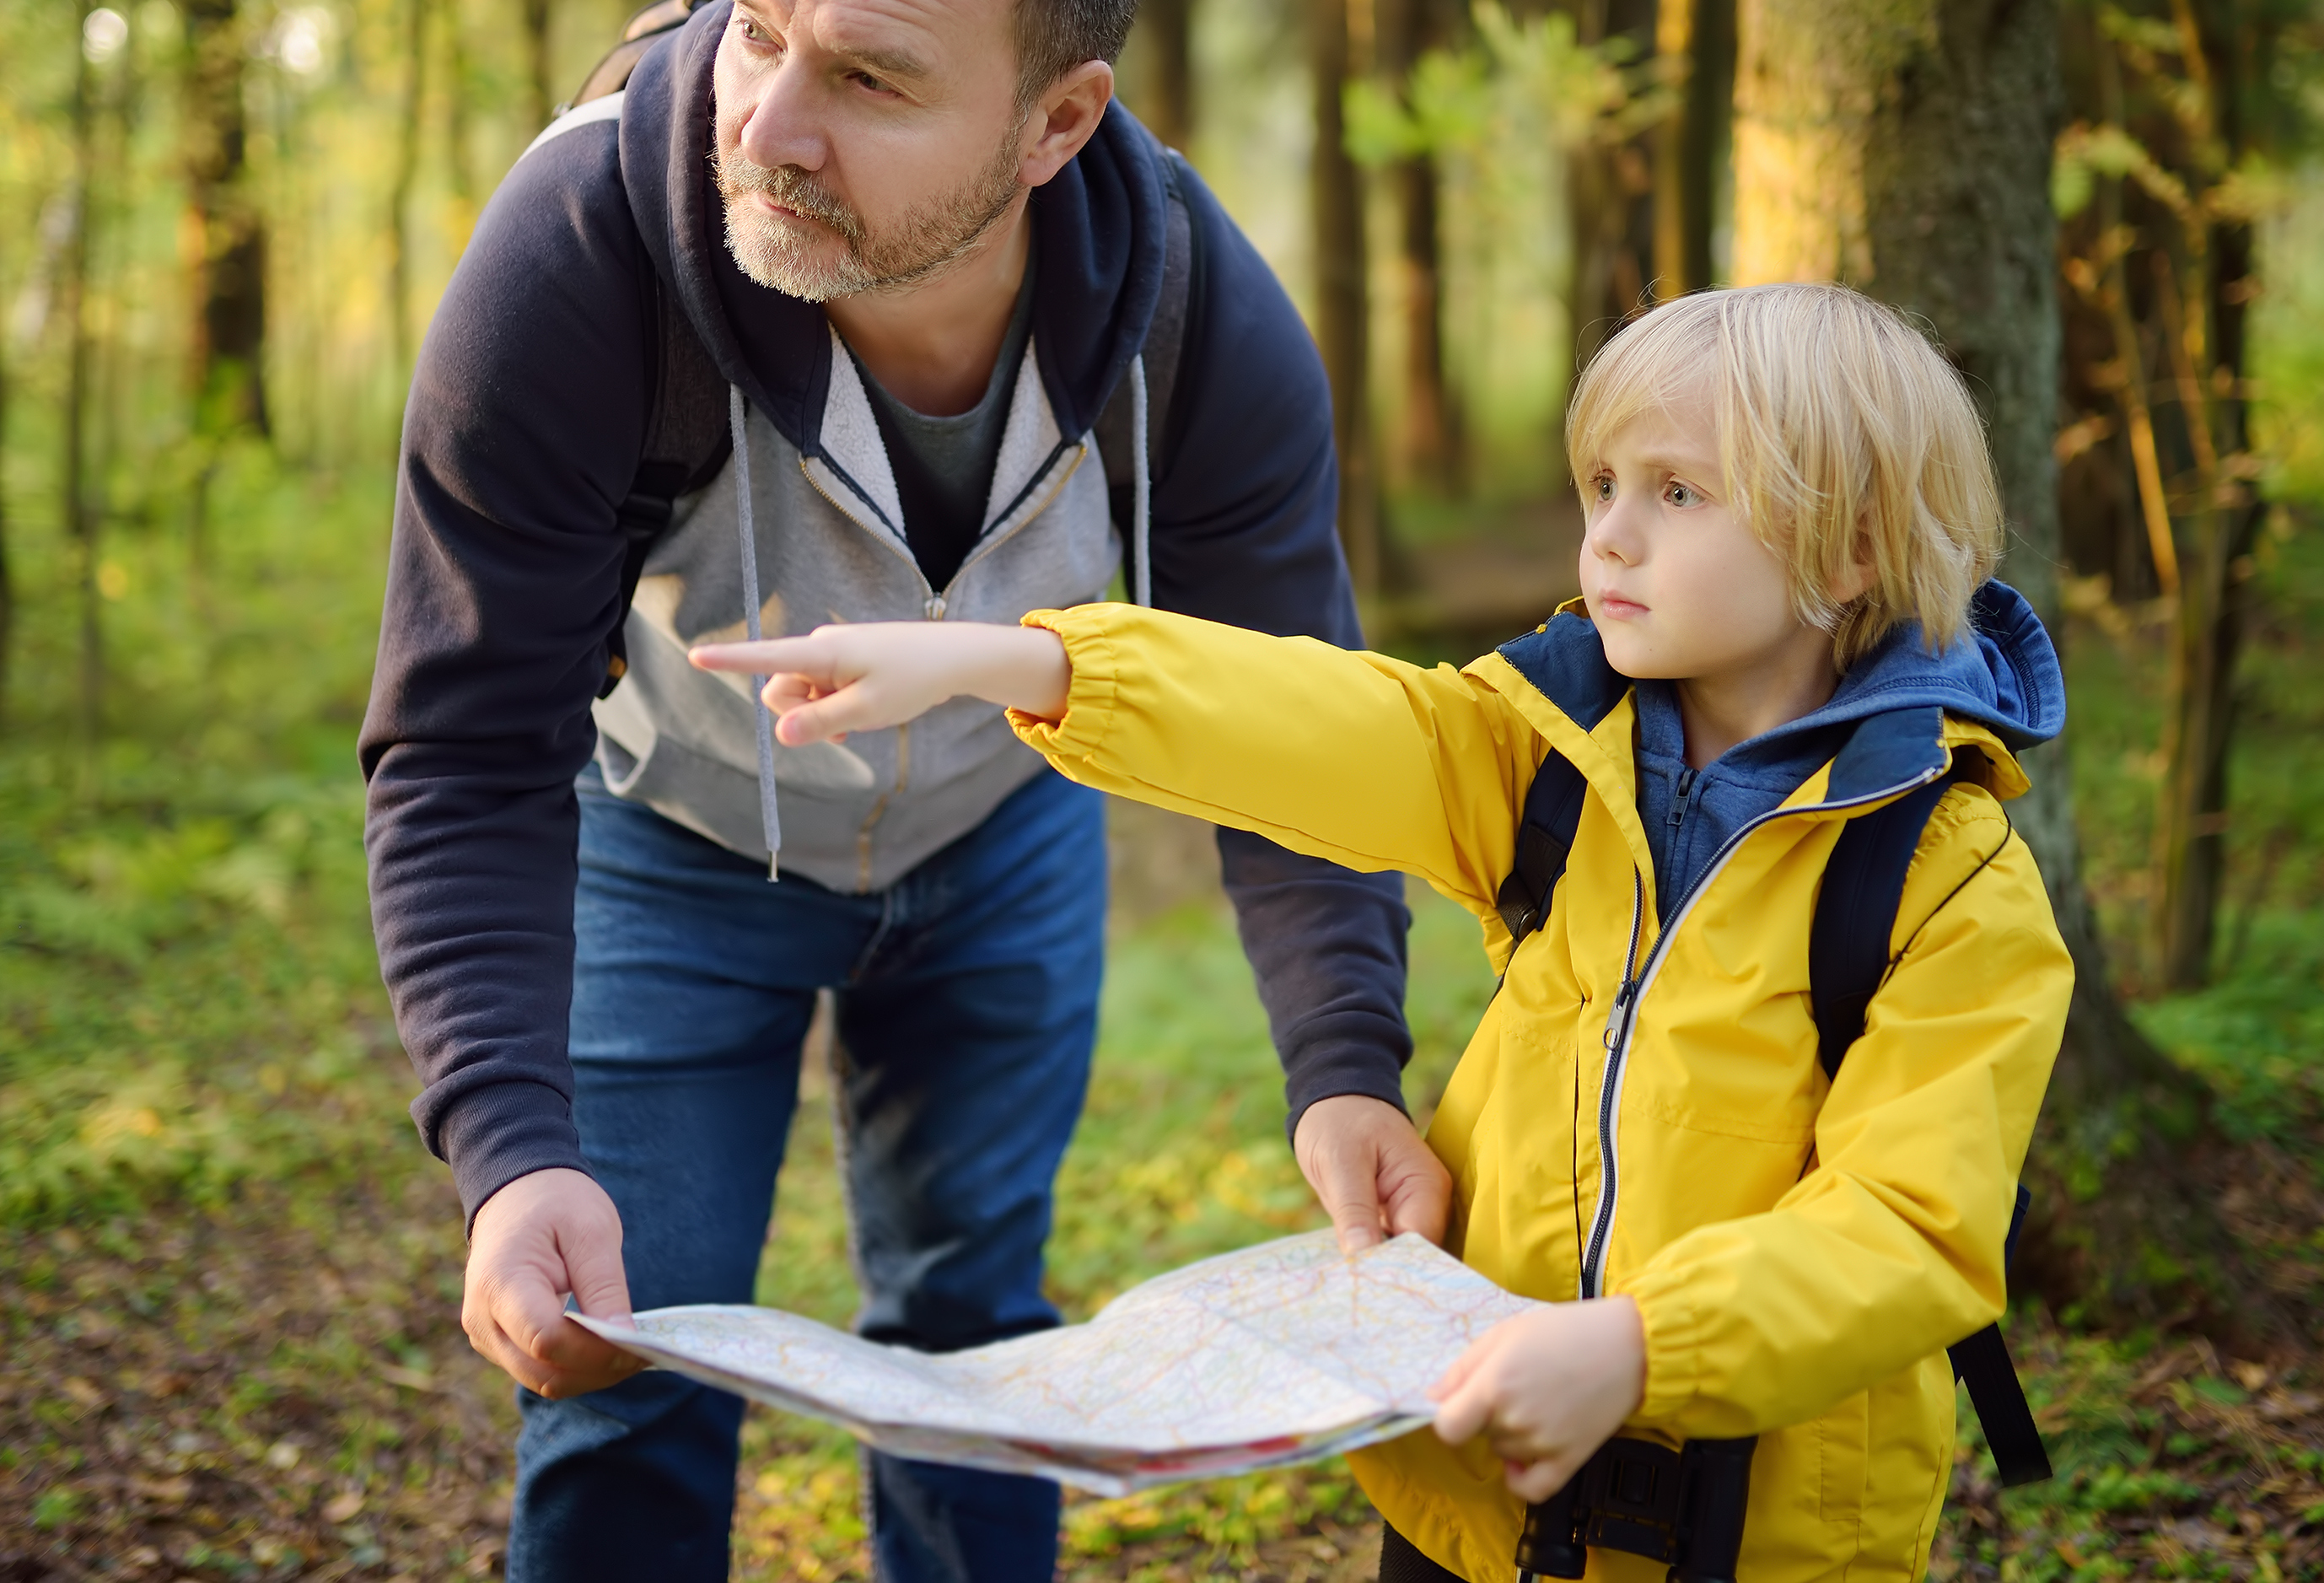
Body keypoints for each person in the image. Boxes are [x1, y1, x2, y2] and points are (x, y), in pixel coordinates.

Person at [358, 0, 1450, 1583]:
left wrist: (1342, 1057)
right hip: (668, 844)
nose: (765, 125)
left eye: (867, 77)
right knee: (621, 1375)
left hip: (1002, 844)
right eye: (758, 30)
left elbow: (1298, 722)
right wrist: (511, 1142)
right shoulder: (573, 259)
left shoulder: (1200, 320)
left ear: (1057, 123)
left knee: (972, 1338)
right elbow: (462, 745)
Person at [696, 283, 2079, 1581]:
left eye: (1679, 492)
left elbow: (1911, 1229)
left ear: (1846, 546)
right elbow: (1321, 724)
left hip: (1761, 1531)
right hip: (1473, 1494)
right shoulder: (1543, 754)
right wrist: (1012, 657)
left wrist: (1640, 1350)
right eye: (1603, 485)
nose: (1610, 534)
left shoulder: (1949, 885)